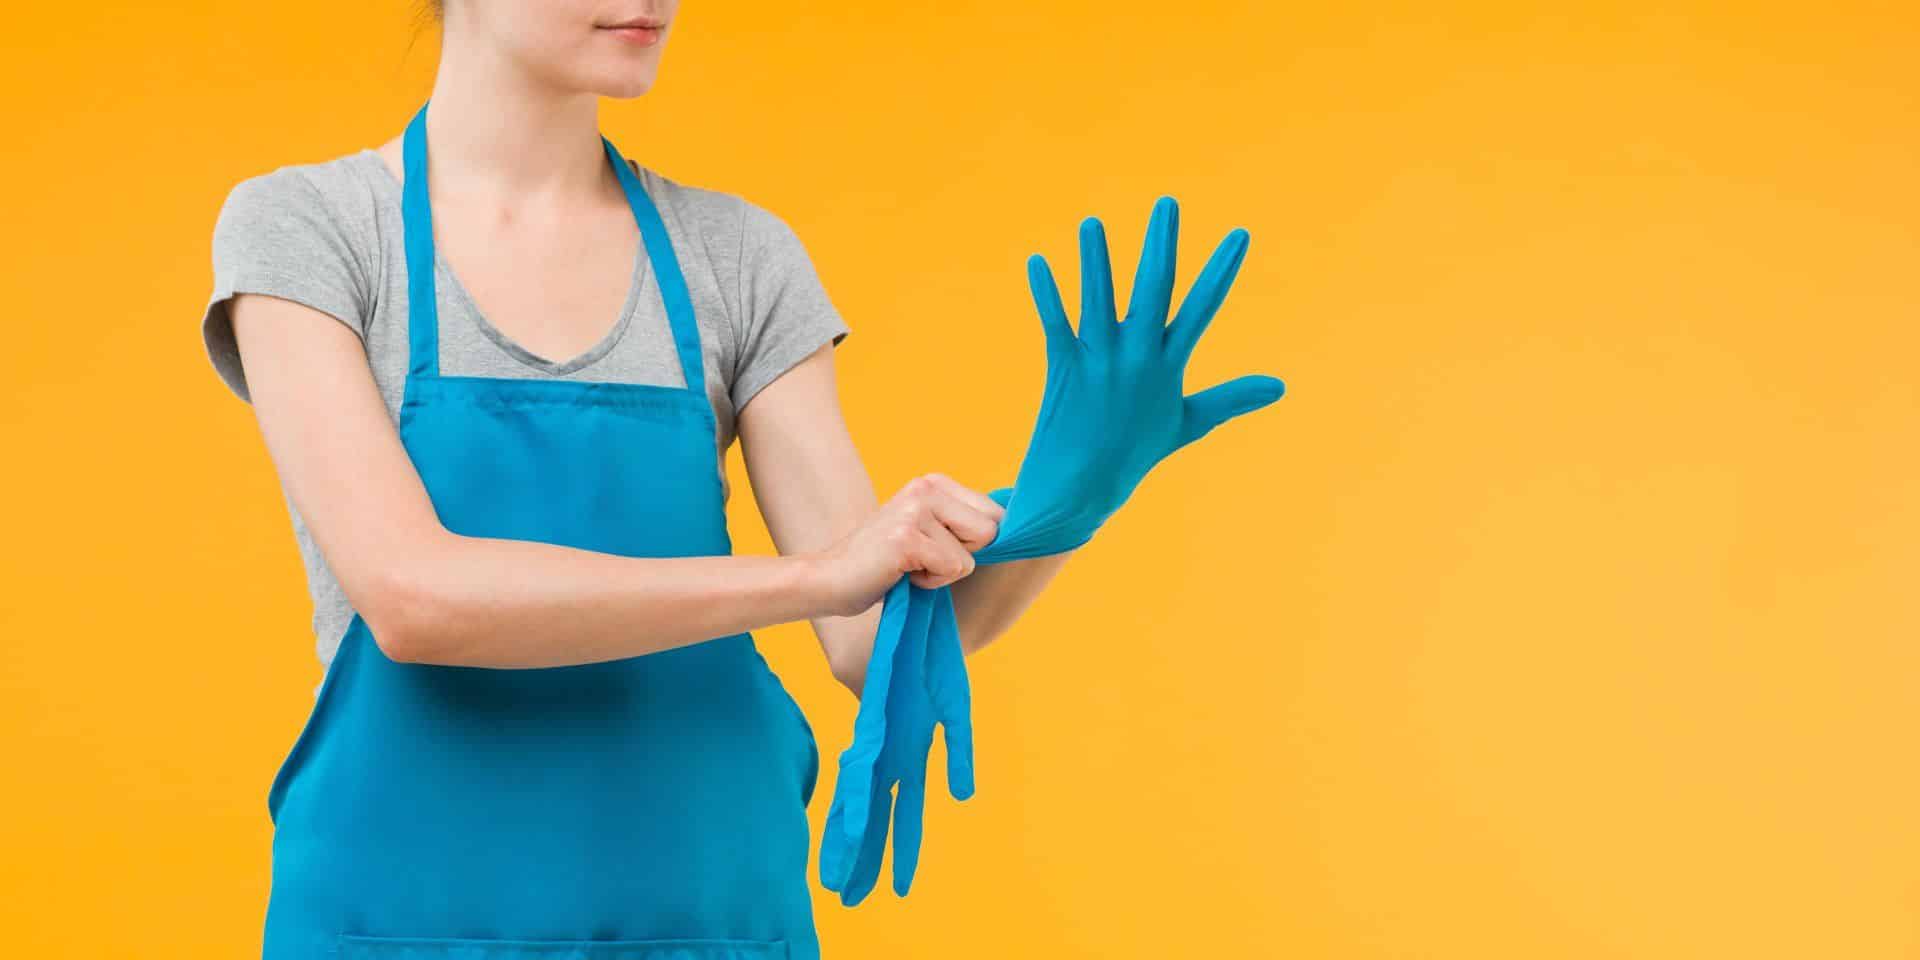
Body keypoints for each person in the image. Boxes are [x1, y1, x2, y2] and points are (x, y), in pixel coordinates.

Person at [201, 3, 1074, 958]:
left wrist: (1071, 498)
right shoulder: (314, 228)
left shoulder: (737, 255)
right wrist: (814, 576)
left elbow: (871, 637)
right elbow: (415, 597)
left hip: (710, 924)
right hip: (401, 930)